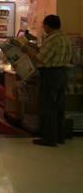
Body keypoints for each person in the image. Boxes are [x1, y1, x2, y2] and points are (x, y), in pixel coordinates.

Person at [25, 15, 72, 147]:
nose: (43, 27)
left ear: (47, 26)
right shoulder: (65, 38)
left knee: (48, 105)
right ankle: (59, 136)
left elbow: (41, 58)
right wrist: (35, 47)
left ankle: (49, 138)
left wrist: (27, 50)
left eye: (44, 25)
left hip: (50, 74)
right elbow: (50, 54)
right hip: (63, 73)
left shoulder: (52, 40)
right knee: (59, 106)